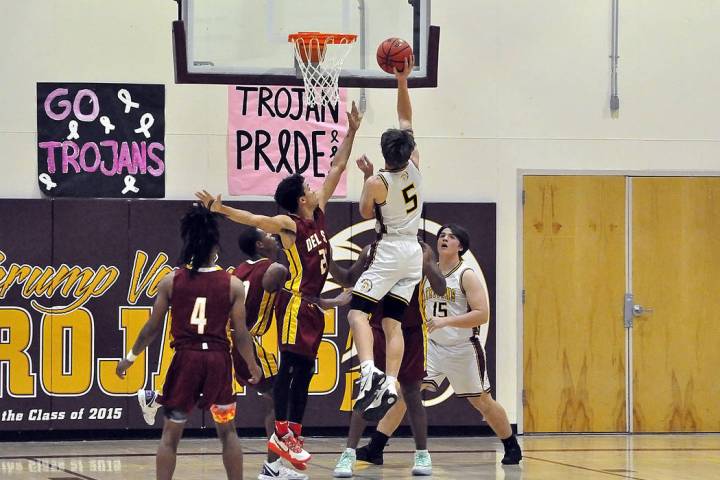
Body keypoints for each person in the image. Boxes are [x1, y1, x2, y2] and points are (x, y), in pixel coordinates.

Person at [194, 100, 363, 469]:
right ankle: (283, 433)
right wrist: (220, 209)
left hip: (315, 305)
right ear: (302, 199)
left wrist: (352, 131)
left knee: (304, 374)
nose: (316, 187)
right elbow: (254, 217)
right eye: (308, 186)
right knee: (289, 370)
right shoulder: (291, 226)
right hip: (296, 306)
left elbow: (337, 165)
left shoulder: (317, 214)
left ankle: (292, 435)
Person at [353, 224, 523, 467]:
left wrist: (447, 321)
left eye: (451, 237)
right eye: (442, 235)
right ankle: (376, 448)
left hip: (462, 348)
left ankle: (510, 444)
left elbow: (482, 314)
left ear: (460, 246)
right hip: (431, 346)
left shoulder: (466, 274)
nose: (444, 239)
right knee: (402, 393)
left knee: (482, 401)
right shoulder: (424, 271)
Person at [116, 205, 262, 480]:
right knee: (227, 431)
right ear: (214, 248)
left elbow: (151, 328)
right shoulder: (232, 284)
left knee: (170, 434)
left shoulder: (171, 281)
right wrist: (252, 365)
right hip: (218, 361)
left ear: (188, 244)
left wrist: (131, 356)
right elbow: (240, 333)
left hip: (187, 361)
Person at [348, 56, 424, 422]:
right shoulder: (416, 166)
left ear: (383, 154)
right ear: (407, 151)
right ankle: (391, 381)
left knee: (358, 313)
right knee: (393, 322)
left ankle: (368, 374)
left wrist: (365, 177)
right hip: (414, 253)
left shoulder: (378, 181)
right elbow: (405, 119)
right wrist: (402, 81)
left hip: (391, 248)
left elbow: (365, 212)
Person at [332, 239, 445, 477]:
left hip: (411, 331)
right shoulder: (370, 249)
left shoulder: (422, 250)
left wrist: (427, 264)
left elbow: (441, 288)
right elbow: (347, 278)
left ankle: (422, 454)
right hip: (377, 329)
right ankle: (348, 454)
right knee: (369, 390)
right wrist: (327, 259)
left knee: (412, 393)